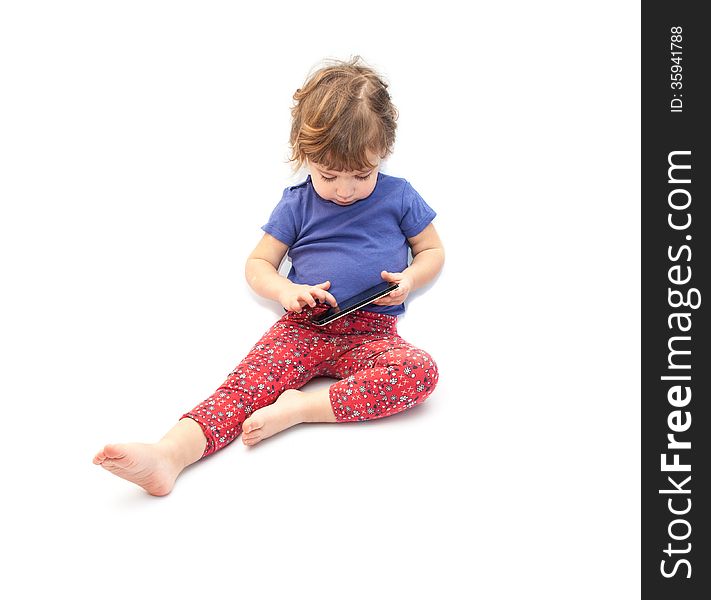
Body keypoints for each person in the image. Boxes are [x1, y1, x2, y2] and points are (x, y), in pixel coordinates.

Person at [93, 56, 445, 496]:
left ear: (384, 152)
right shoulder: (297, 203)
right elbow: (258, 265)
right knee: (241, 389)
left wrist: (411, 279)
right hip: (305, 328)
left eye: (362, 174)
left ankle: (302, 408)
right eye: (328, 174)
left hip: (372, 332)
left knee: (419, 372)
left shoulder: (400, 196)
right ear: (304, 154)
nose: (345, 189)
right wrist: (288, 290)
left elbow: (431, 250)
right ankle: (169, 455)